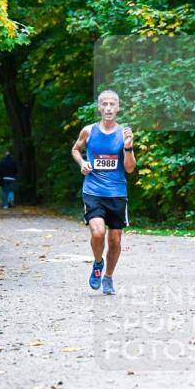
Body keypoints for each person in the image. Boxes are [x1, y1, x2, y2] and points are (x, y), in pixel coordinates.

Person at [70, 90, 135, 295]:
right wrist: (82, 163)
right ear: (99, 108)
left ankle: (108, 277)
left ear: (118, 108)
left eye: (112, 104)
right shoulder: (88, 131)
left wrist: (128, 148)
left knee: (115, 240)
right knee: (98, 232)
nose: (108, 108)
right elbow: (75, 149)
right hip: (93, 190)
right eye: (104, 104)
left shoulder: (124, 132)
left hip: (117, 193)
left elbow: (130, 168)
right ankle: (98, 264)